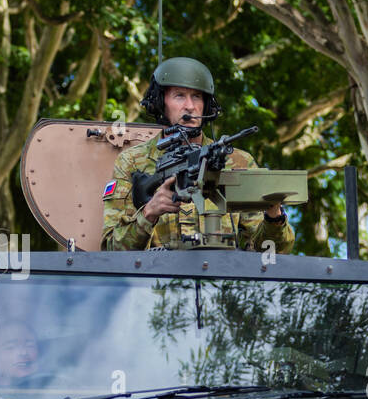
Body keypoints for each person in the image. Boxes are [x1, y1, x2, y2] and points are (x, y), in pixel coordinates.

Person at [102, 57, 295, 252]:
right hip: (157, 280)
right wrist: (149, 213)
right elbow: (111, 250)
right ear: (161, 102)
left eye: (196, 96)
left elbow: (271, 253)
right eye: (179, 95)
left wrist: (274, 216)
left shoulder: (237, 161)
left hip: (223, 279)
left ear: (206, 105)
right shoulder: (132, 162)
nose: (190, 106)